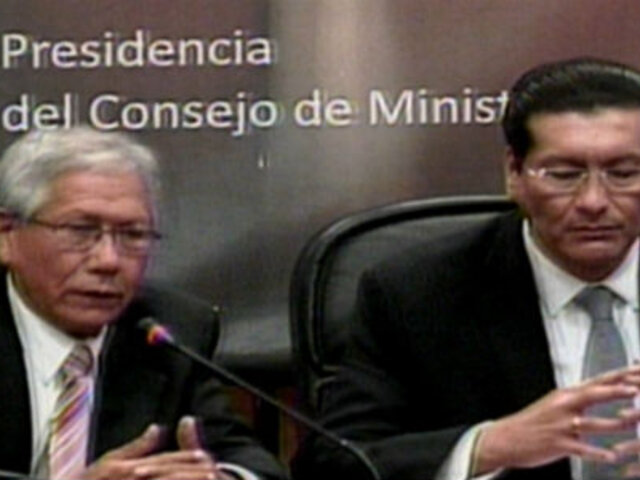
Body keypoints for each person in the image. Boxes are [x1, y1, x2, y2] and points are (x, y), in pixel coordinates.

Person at [291, 57, 640, 480]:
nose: (593, 201)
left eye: (625, 173)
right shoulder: (418, 294)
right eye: (563, 175)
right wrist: (490, 445)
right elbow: (332, 464)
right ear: (514, 173)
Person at [0, 126, 287, 480]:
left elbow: (249, 461)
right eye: (80, 231)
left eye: (133, 235)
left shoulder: (166, 330)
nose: (108, 260)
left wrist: (218, 477)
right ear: (6, 235)